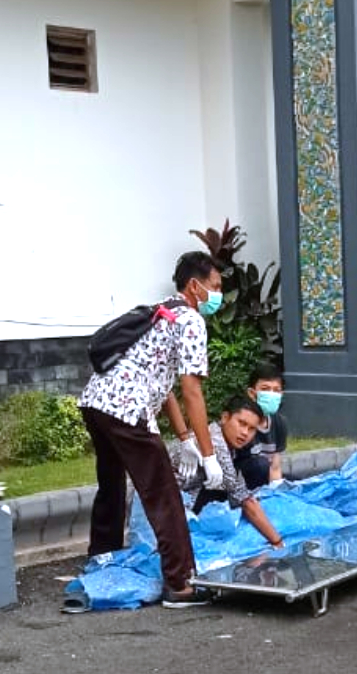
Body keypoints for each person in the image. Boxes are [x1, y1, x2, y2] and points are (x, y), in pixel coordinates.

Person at [78, 251, 227, 609]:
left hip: (97, 401)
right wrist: (210, 457)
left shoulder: (161, 310)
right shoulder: (190, 320)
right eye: (216, 286)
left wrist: (185, 439)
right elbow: (191, 390)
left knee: (111, 485)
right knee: (164, 496)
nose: (220, 295)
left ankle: (103, 558)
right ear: (195, 285)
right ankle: (181, 585)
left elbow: (163, 388)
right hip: (126, 408)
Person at [170, 395, 286, 551]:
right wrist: (277, 542)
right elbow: (246, 502)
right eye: (241, 423)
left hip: (182, 495)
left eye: (251, 429)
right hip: (166, 504)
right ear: (225, 418)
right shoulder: (216, 444)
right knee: (238, 497)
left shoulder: (219, 436)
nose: (245, 433)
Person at [233, 362, 290, 490]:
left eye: (276, 390)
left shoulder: (279, 423)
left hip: (265, 479)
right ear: (252, 393)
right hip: (239, 482)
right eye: (265, 389)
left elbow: (275, 467)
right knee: (260, 464)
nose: (271, 394)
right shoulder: (241, 422)